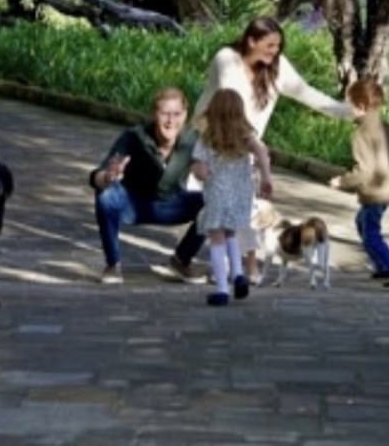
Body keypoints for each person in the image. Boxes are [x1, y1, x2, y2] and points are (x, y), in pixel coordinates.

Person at [193, 16, 358, 282]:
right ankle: (217, 265)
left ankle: (241, 269)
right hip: (213, 140)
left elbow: (307, 93)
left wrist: (347, 111)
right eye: (270, 45)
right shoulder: (226, 59)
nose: (275, 52)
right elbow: (232, 104)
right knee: (213, 207)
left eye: (278, 46)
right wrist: (255, 147)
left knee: (242, 209)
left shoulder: (277, 67)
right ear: (251, 41)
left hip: (245, 148)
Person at [89, 86, 205, 284]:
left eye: (176, 114)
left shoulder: (192, 139)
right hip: (133, 204)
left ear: (185, 115)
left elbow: (210, 168)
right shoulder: (135, 136)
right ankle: (112, 264)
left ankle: (181, 260)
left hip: (170, 204)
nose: (170, 121)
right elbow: (96, 176)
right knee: (106, 196)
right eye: (164, 114)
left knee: (214, 202)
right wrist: (108, 177)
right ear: (154, 114)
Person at [329, 77, 389, 288]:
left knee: (371, 234)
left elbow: (363, 171)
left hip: (375, 192)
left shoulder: (360, 134)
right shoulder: (388, 128)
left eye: (350, 104)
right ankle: (381, 266)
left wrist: (341, 181)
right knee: (362, 222)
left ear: (361, 106)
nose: (348, 108)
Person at [191, 88, 273, 306]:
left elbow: (199, 169)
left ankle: (221, 289)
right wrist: (266, 178)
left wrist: (202, 173)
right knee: (231, 234)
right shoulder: (246, 137)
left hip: (218, 194)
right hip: (241, 195)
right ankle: (237, 275)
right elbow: (263, 154)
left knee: (216, 238)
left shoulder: (207, 140)